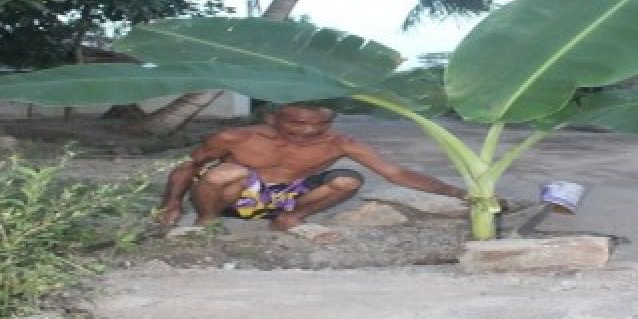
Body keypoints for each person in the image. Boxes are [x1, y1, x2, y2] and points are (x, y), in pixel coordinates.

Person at [156, 104, 468, 232]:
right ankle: (206, 223)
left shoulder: (340, 143)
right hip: (232, 201)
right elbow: (187, 168)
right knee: (227, 173)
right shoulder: (234, 138)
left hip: (284, 200)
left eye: (318, 125)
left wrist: (454, 191)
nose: (307, 131)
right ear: (271, 118)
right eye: (297, 122)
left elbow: (395, 173)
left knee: (348, 180)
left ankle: (289, 220)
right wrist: (170, 204)